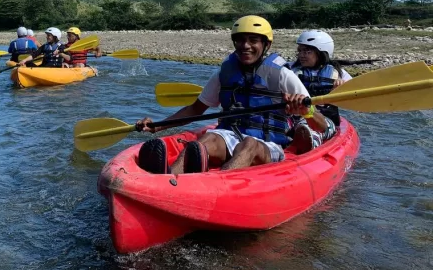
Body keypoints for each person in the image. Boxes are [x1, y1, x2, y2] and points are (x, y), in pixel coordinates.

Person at [136, 15, 330, 175]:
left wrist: (307, 110)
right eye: (240, 40)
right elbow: (195, 109)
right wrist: (157, 126)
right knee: (205, 140)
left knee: (249, 144)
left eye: (253, 40)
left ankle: (216, 185)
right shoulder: (224, 74)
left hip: (269, 144)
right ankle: (168, 178)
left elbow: (321, 125)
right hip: (230, 135)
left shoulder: (282, 75)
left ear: (266, 45)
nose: (245, 45)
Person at [286, 30, 351, 150]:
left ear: (321, 52)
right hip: (294, 116)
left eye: (307, 51)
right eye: (299, 51)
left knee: (306, 127)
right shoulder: (290, 69)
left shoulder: (338, 73)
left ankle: (307, 142)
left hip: (323, 119)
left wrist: (341, 89)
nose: (301, 55)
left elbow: (353, 95)